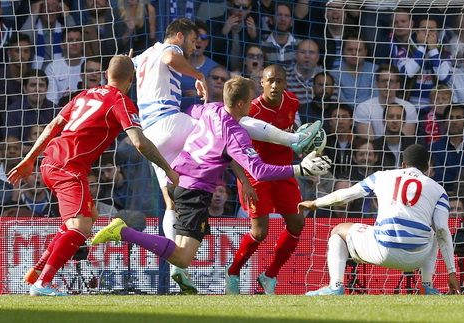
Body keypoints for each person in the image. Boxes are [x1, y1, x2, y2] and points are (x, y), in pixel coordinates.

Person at [132, 17, 326, 293]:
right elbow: (169, 58)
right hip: (171, 125)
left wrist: (126, 63)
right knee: (227, 120)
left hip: (152, 131)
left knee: (169, 201)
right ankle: (295, 140)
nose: (192, 47)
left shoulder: (146, 54)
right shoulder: (168, 50)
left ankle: (177, 268)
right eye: (190, 41)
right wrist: (199, 75)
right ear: (178, 36)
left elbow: (129, 65)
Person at [91, 76, 331, 295]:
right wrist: (300, 169)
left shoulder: (211, 109)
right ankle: (123, 231)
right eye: (249, 102)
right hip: (194, 191)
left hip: (179, 181)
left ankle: (125, 233)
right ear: (241, 104)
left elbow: (191, 108)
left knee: (182, 254)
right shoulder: (236, 134)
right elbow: (259, 170)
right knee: (183, 258)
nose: (250, 108)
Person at [7, 55, 179, 296]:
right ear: (133, 79)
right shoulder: (121, 101)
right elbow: (139, 143)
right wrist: (168, 168)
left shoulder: (85, 94)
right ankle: (42, 284)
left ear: (106, 74)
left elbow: (52, 126)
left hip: (50, 161)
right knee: (81, 227)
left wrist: (29, 159)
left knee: (87, 216)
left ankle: (37, 271)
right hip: (69, 167)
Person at [299, 144, 462, 296]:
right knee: (433, 232)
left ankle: (335, 286)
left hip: (382, 252)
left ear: (403, 164)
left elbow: (344, 195)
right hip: (416, 260)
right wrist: (451, 272)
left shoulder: (381, 176)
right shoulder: (439, 190)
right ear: (426, 168)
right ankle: (427, 285)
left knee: (338, 230)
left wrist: (315, 203)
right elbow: (442, 231)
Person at [226, 65, 309, 296]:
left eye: (279, 81)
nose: (274, 85)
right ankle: (233, 272)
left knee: (297, 223)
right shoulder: (250, 110)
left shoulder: (292, 102)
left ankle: (269, 276)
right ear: (261, 83)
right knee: (260, 231)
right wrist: (244, 181)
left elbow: (295, 138)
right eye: (270, 80)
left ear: (285, 84)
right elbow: (231, 150)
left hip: (283, 173)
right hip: (257, 175)